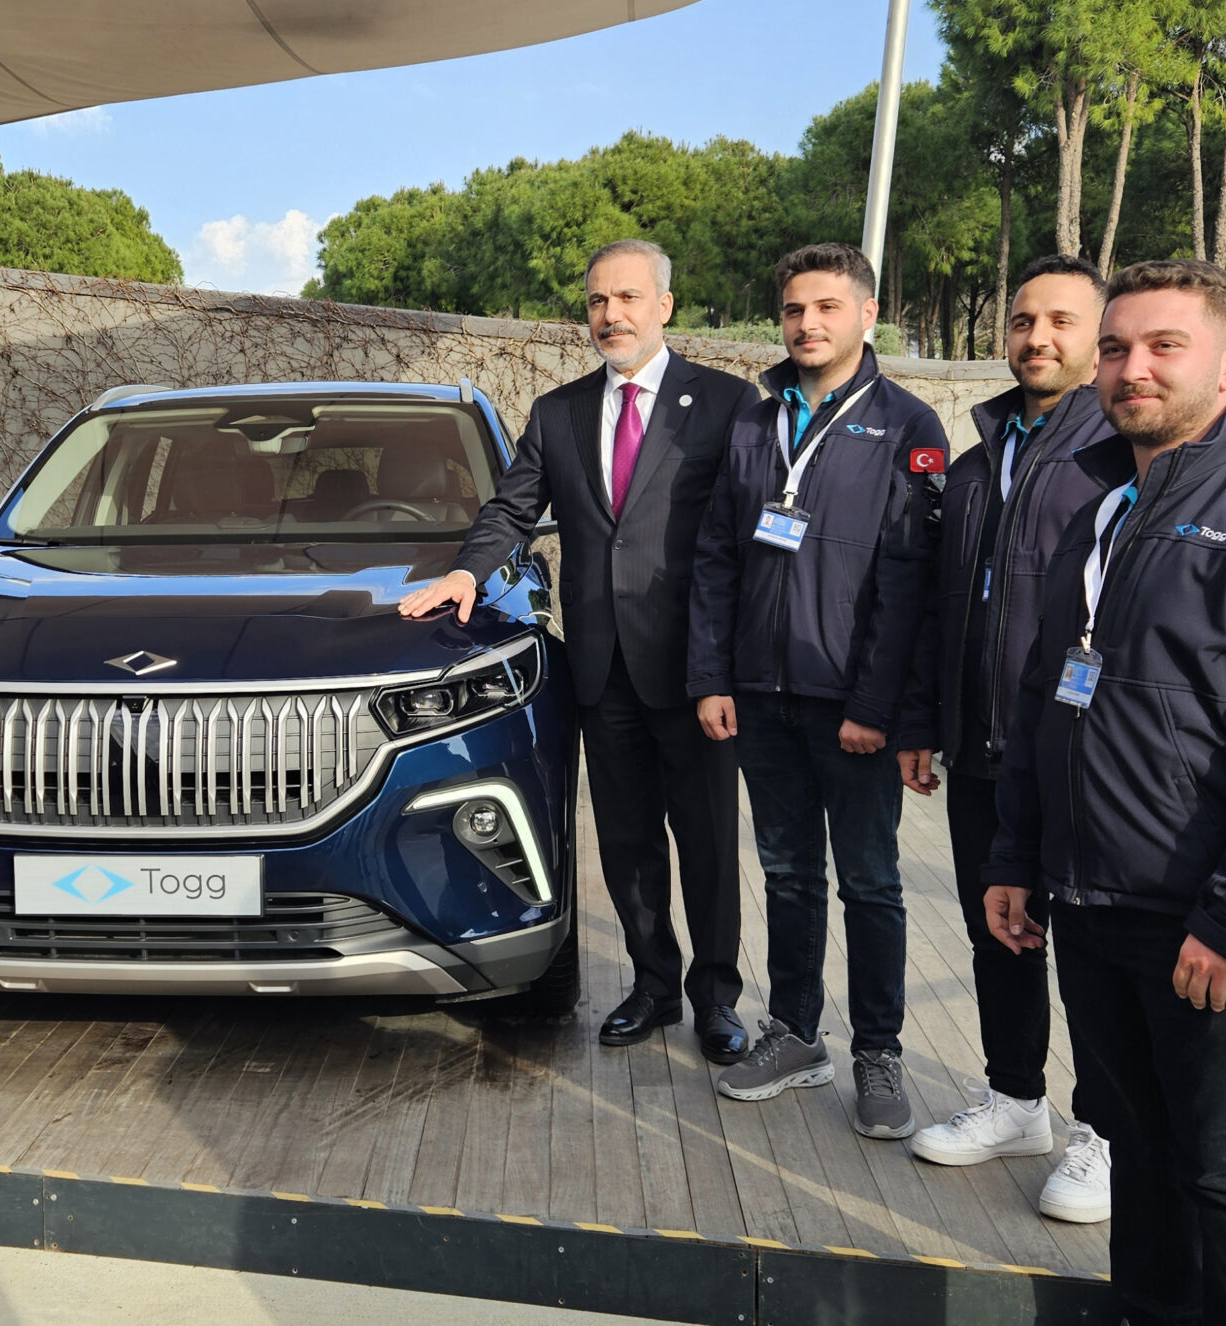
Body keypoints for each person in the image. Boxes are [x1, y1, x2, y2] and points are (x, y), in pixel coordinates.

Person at [987, 260, 1226, 1326]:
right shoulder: (1099, 510)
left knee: (1225, 1167)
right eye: (1115, 348)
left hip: (1204, 918)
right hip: (1090, 903)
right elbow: (1045, 694)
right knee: (1138, 1147)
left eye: (1165, 346)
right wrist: (1017, 855)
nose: (1132, 369)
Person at [400, 239, 761, 1065]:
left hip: (697, 673)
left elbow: (743, 538)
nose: (611, 315)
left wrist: (739, 658)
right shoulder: (557, 413)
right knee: (628, 845)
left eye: (628, 298)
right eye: (598, 301)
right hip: (602, 671)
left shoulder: (726, 403)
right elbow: (511, 510)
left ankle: (716, 999)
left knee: (708, 844)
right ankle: (653, 986)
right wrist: (465, 572)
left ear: (665, 306)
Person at [688, 242, 943, 1140]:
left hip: (850, 710)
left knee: (870, 884)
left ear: (868, 315)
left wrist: (876, 708)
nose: (808, 324)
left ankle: (878, 1051)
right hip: (760, 696)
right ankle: (796, 1033)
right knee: (788, 874)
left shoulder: (909, 426)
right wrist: (712, 677)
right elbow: (717, 557)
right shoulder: (755, 423)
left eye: (829, 307)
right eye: (795, 309)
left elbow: (911, 585)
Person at [892, 255, 1117, 1218]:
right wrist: (921, 721)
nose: (1038, 338)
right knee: (1002, 934)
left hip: (1081, 759)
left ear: (1099, 337)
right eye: (1025, 320)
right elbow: (938, 608)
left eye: (1062, 321)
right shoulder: (978, 460)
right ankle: (1017, 1101)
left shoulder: (1121, 455)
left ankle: (1104, 1132)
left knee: (1094, 957)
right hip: (984, 749)